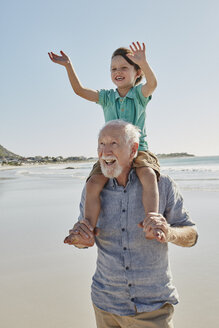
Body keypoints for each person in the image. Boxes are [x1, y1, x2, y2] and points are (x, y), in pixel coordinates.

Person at [64, 120, 198, 327]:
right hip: (105, 305)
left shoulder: (163, 184)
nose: (105, 151)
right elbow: (84, 241)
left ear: (133, 149)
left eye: (114, 144)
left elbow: (191, 236)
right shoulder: (93, 189)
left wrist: (169, 233)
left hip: (153, 307)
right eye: (101, 144)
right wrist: (80, 240)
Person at [48, 42, 163, 240]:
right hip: (111, 153)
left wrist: (144, 62)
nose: (117, 72)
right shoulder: (107, 97)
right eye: (113, 68)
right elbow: (80, 91)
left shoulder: (139, 95)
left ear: (137, 73)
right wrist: (68, 66)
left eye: (124, 68)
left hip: (139, 150)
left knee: (148, 176)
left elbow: (152, 85)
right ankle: (86, 229)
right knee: (93, 183)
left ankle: (152, 221)